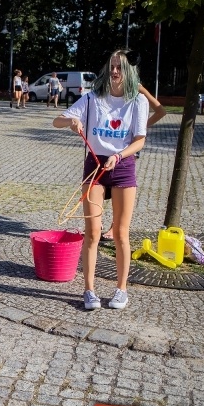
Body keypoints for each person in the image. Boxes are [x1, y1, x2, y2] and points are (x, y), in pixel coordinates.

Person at [52, 49, 149, 311]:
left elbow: (139, 140)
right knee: (93, 233)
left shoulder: (138, 101)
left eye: (120, 67)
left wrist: (118, 157)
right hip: (95, 166)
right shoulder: (93, 98)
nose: (115, 71)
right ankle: (89, 291)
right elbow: (56, 121)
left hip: (122, 165)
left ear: (129, 71)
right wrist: (71, 122)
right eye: (112, 66)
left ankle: (121, 290)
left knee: (120, 233)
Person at [100, 85, 165, 241]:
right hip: (109, 142)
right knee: (99, 182)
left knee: (120, 185)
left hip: (129, 147)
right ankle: (96, 223)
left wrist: (140, 127)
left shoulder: (137, 89)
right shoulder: (111, 87)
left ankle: (114, 227)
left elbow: (161, 111)